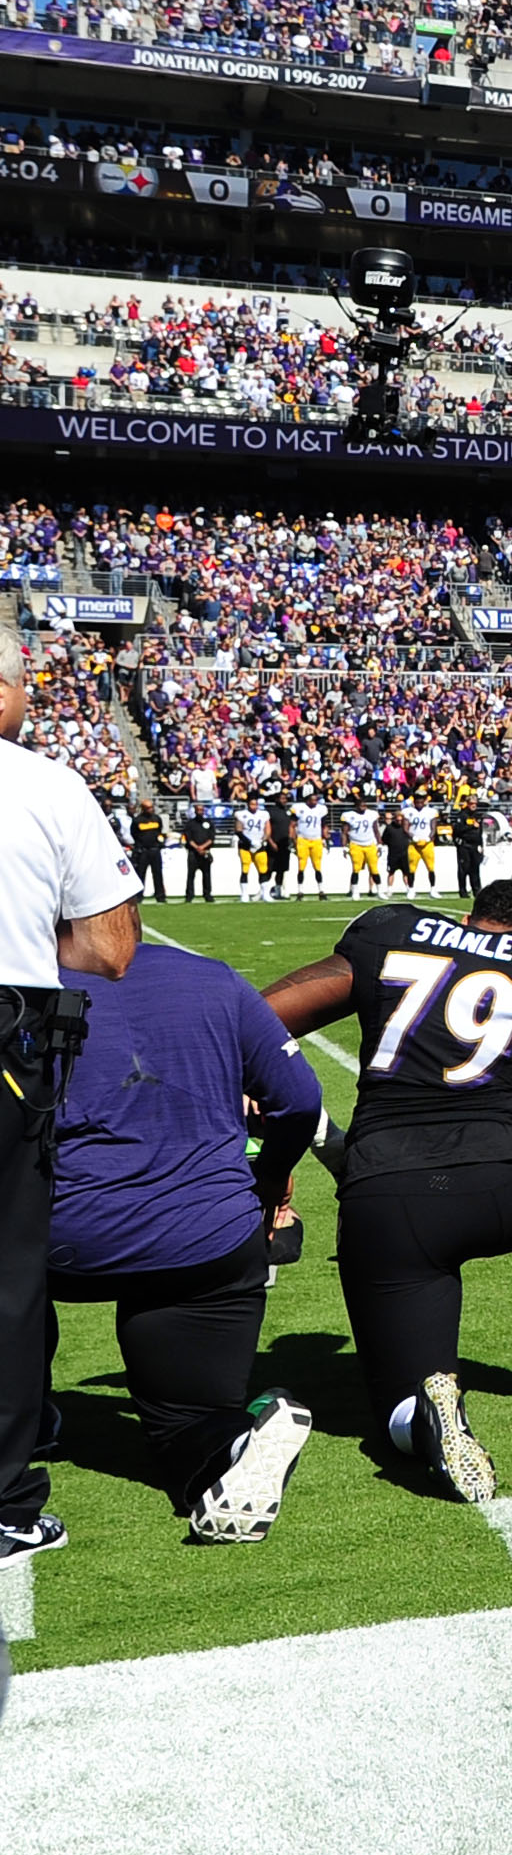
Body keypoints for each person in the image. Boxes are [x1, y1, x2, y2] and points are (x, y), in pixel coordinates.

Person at [262, 879, 512, 1500]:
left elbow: (257, 1019)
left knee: (398, 1404)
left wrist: (290, 1125)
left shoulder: (390, 935)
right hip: (508, 1186)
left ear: (468, 917)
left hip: (390, 1195)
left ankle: (427, 1417)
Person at [46, 937, 321, 1542]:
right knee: (184, 1426)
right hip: (206, 1238)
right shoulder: (214, 979)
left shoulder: (25, 976)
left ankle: (29, 1411)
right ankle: (233, 1441)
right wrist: (268, 1181)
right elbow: (300, 1100)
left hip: (60, 1243)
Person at [0, 626, 146, 1570]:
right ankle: (6, 1501)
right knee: (9, 1282)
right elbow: (110, 947)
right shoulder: (44, 783)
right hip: (6, 1041)